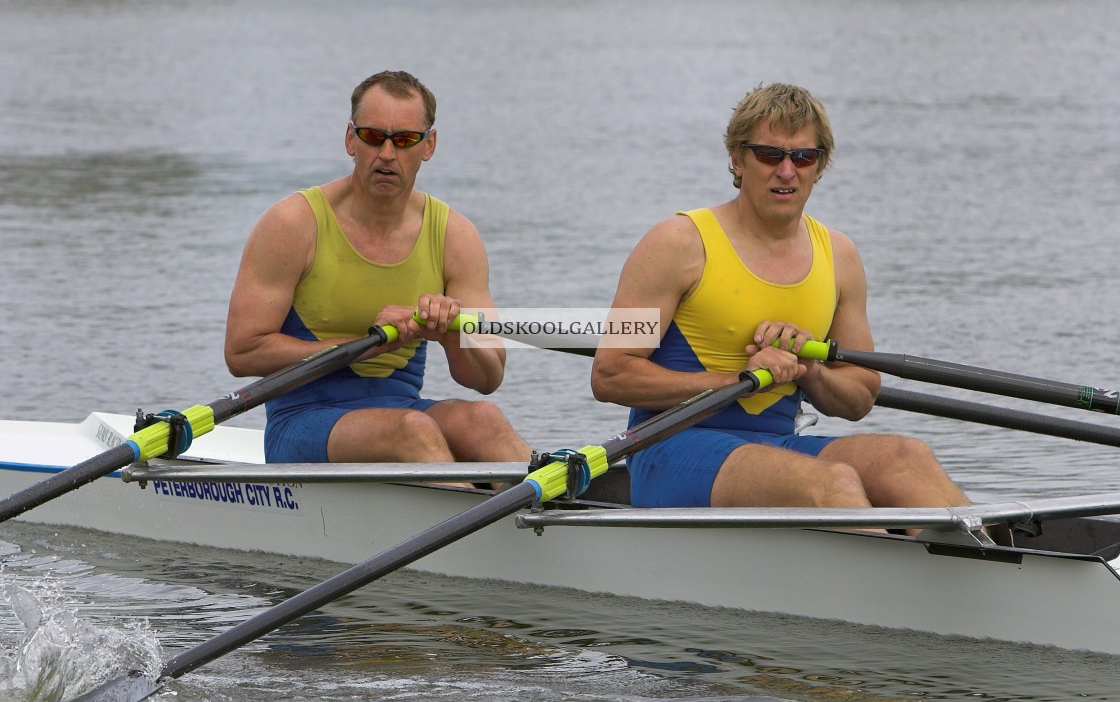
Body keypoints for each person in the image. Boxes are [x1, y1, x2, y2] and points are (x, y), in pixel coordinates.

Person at [590, 82, 970, 515]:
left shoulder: (839, 256)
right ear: (737, 159)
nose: (787, 171)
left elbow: (861, 394)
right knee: (831, 482)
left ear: (819, 166)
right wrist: (739, 378)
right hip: (670, 449)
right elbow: (611, 374)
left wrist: (811, 372)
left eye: (803, 157)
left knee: (909, 459)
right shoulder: (675, 243)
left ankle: (981, 563)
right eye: (770, 154)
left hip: (775, 446)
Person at [225, 70, 531, 467]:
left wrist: (450, 335)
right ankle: (472, 512)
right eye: (373, 137)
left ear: (429, 145)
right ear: (351, 139)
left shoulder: (455, 236)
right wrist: (358, 348)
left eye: (404, 140)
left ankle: (549, 518)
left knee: (483, 420)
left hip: (403, 409)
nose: (387, 154)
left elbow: (489, 378)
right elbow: (241, 353)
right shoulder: (292, 224)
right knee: (412, 431)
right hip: (301, 420)